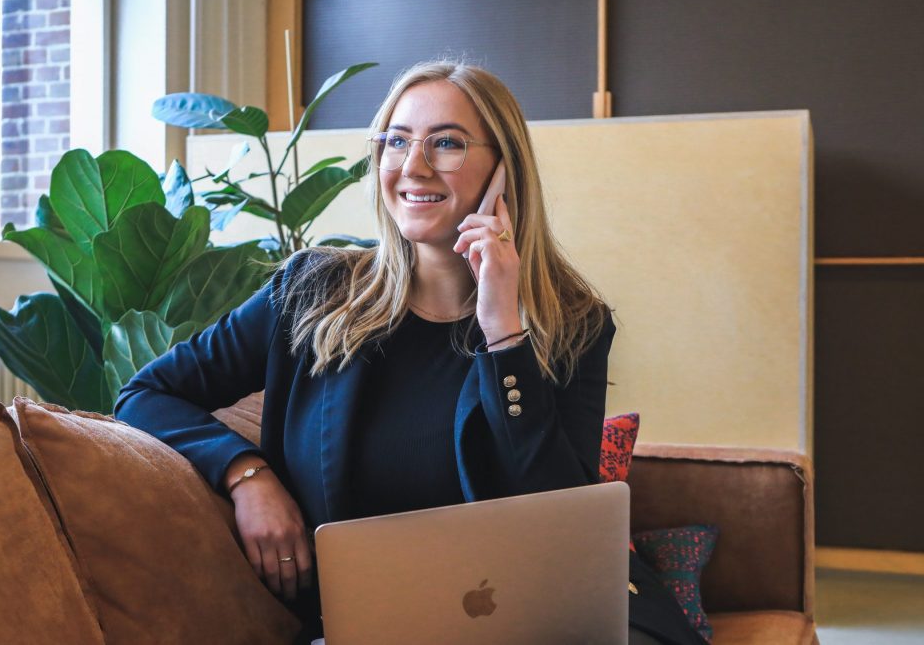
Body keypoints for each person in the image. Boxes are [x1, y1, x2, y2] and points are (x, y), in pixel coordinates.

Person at [115, 61, 704, 645]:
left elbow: (565, 524)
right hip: (376, 626)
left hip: (548, 622)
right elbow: (144, 394)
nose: (413, 165)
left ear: (504, 170)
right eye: (396, 141)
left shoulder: (572, 323)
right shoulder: (311, 294)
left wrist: (504, 333)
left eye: (445, 143)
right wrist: (248, 475)